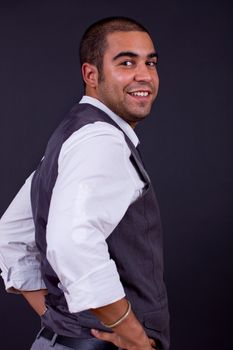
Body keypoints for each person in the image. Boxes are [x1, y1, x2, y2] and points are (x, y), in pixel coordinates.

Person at [0, 17, 170, 350]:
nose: (144, 75)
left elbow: (11, 236)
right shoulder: (101, 139)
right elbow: (71, 243)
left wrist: (60, 320)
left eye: (150, 62)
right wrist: (132, 335)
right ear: (91, 75)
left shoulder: (74, 134)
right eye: (126, 62)